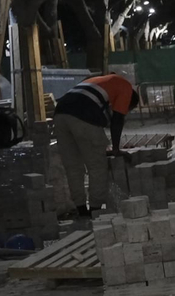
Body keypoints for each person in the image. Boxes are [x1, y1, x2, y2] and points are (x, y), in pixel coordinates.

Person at [51, 73, 137, 216]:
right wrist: (116, 149)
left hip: (60, 113)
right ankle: (95, 211)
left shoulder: (102, 81)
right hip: (83, 115)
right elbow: (117, 120)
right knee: (97, 166)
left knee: (73, 166)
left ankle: (81, 210)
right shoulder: (126, 88)